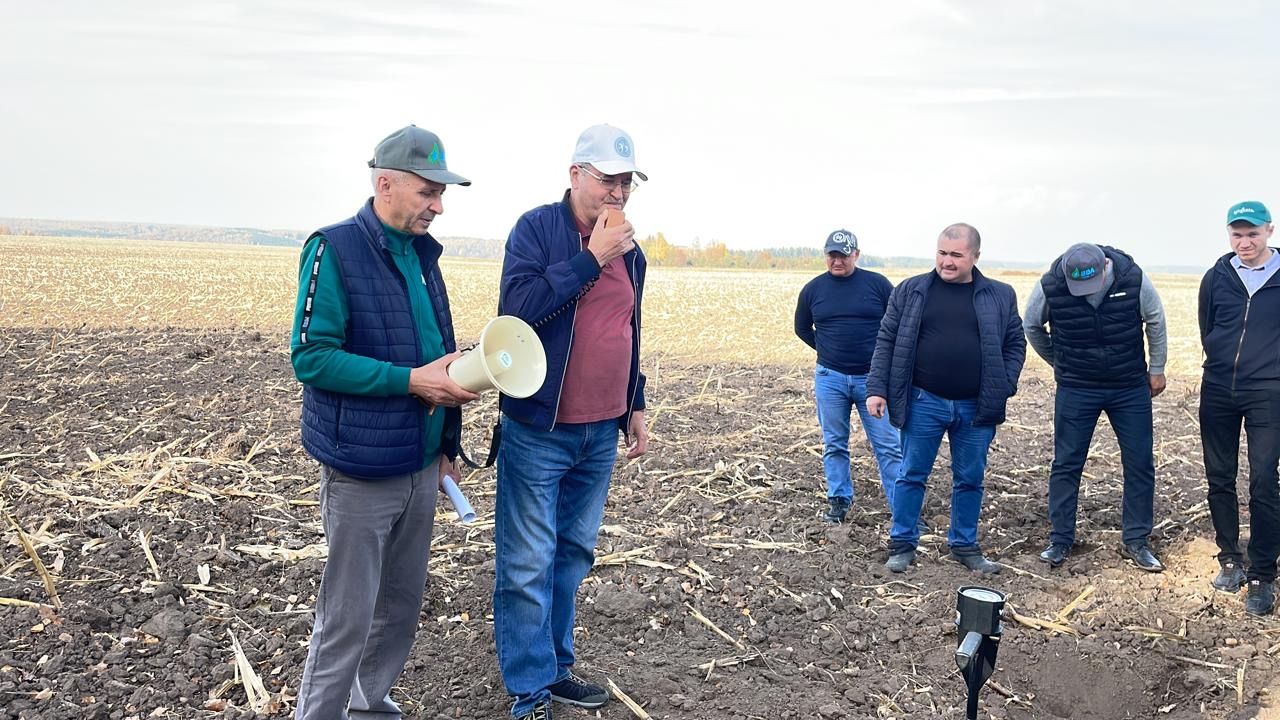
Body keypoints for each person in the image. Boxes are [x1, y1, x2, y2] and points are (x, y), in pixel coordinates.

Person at [288, 125, 479, 719]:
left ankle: (369, 709)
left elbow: (435, 348)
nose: (438, 206)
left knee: (399, 606)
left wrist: (446, 442)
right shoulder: (334, 249)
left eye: (442, 193)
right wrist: (410, 381)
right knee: (347, 617)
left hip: (422, 465)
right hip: (363, 471)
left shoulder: (423, 256)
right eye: (428, 192)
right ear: (385, 183)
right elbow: (311, 356)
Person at [493, 124, 650, 720]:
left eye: (626, 181)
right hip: (541, 427)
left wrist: (634, 401)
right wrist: (590, 260)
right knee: (527, 561)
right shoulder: (538, 230)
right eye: (608, 178)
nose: (618, 191)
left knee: (572, 554)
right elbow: (519, 312)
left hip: (600, 429)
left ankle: (557, 670)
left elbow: (629, 328)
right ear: (575, 174)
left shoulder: (630, 249)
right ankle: (529, 692)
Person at [867, 223, 1025, 574]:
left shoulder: (999, 295)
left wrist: (1004, 383)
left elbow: (1015, 342)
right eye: (942, 253)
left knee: (970, 478)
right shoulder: (911, 291)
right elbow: (887, 341)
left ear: (975, 256)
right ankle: (902, 544)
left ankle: (964, 545)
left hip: (976, 406)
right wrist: (877, 388)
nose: (947, 261)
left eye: (956, 255)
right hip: (924, 401)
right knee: (911, 474)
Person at [1024, 243, 1167, 572]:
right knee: (1067, 462)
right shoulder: (1052, 284)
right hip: (1077, 388)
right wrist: (1060, 363)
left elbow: (1155, 320)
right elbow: (1032, 325)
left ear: (1105, 265)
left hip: (1128, 385)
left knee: (1139, 462)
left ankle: (1136, 540)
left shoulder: (1132, 278)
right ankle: (1060, 539)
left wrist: (1156, 368)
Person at [1199, 200, 1280, 615]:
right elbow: (1207, 326)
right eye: (1237, 234)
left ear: (1269, 230)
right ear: (1228, 234)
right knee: (1219, 476)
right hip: (1218, 389)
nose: (1244, 242)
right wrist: (1218, 359)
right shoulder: (1217, 276)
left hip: (1269, 392)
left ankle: (1263, 574)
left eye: (1252, 233)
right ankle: (1230, 557)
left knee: (1264, 480)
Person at [794, 229, 902, 523]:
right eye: (832, 254)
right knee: (835, 443)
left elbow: (897, 326)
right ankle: (839, 499)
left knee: (888, 445)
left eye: (843, 254)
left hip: (874, 380)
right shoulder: (813, 289)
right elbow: (802, 328)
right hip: (830, 378)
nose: (837, 260)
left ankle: (902, 508)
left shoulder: (878, 285)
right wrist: (828, 350)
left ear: (856, 254)